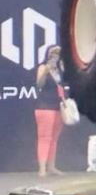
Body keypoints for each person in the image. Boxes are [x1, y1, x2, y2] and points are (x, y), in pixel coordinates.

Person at [34, 45, 65, 177]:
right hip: (45, 107)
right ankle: (42, 168)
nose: (55, 56)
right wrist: (46, 71)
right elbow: (39, 84)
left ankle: (51, 166)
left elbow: (65, 84)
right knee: (44, 138)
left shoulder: (60, 69)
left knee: (54, 139)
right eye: (53, 53)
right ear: (47, 55)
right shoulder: (43, 67)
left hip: (58, 107)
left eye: (57, 53)